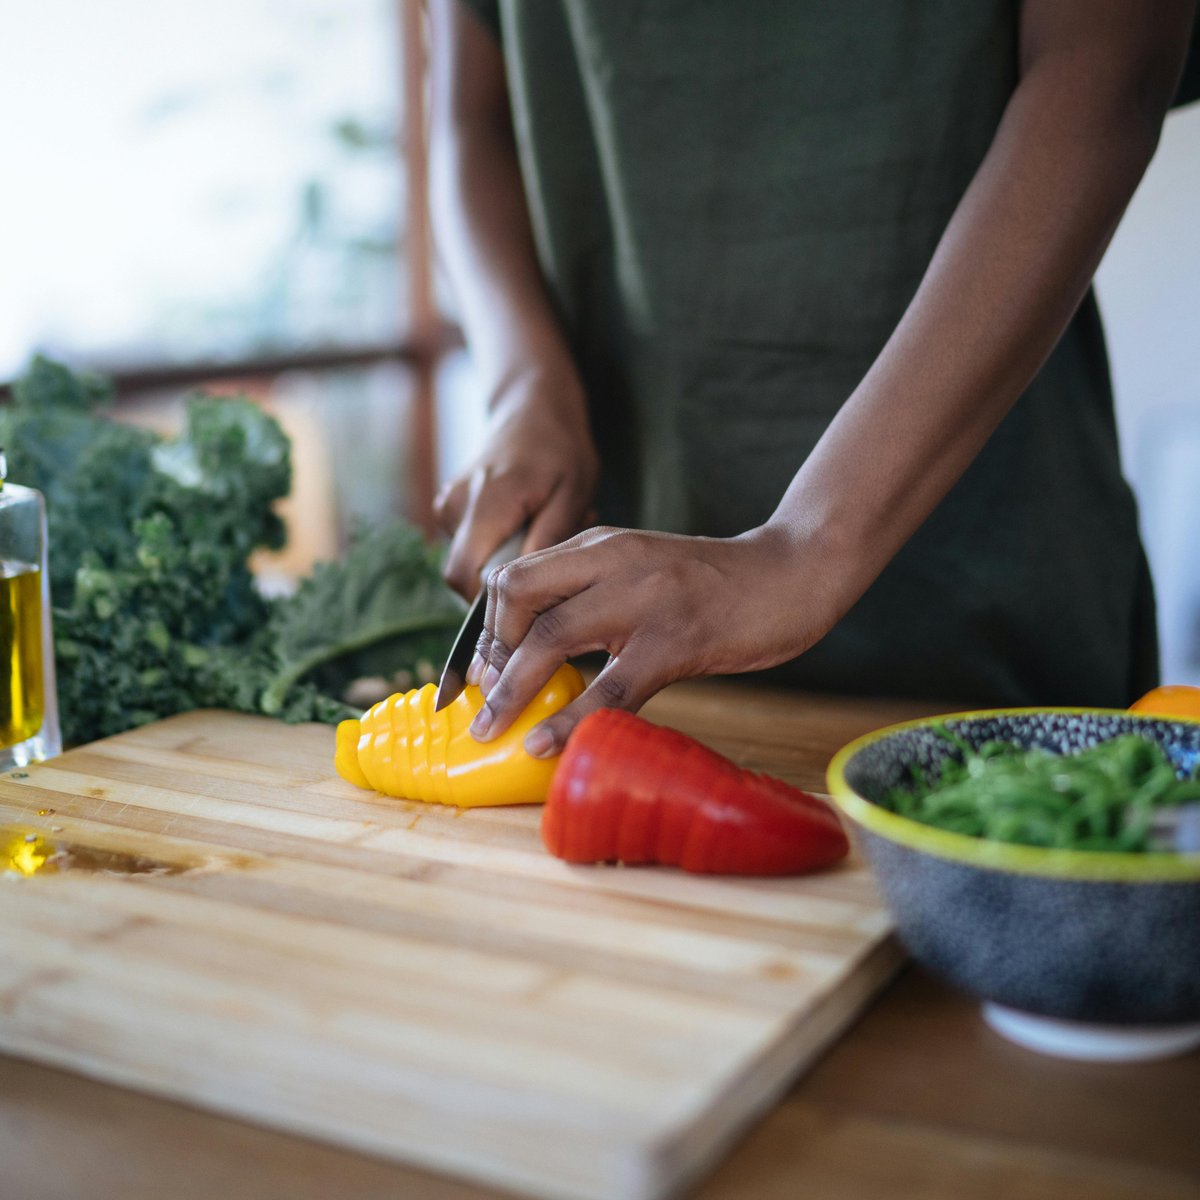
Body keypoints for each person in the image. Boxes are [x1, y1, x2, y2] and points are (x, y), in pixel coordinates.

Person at [427, 0, 1198, 760]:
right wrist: (525, 384)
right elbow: (468, 121)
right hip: (627, 636)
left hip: (989, 595)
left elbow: (1109, 66)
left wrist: (805, 550)